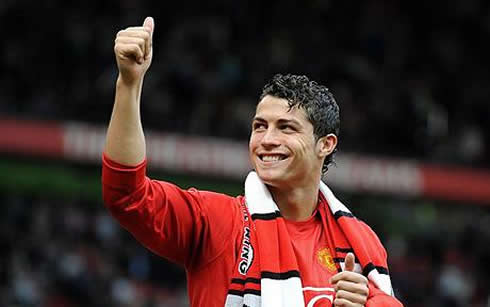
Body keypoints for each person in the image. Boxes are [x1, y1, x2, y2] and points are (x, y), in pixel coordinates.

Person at [102, 16, 403, 307]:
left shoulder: (360, 242)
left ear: (325, 144)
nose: (267, 139)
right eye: (260, 126)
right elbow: (128, 196)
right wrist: (128, 84)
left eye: (286, 127)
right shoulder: (219, 222)